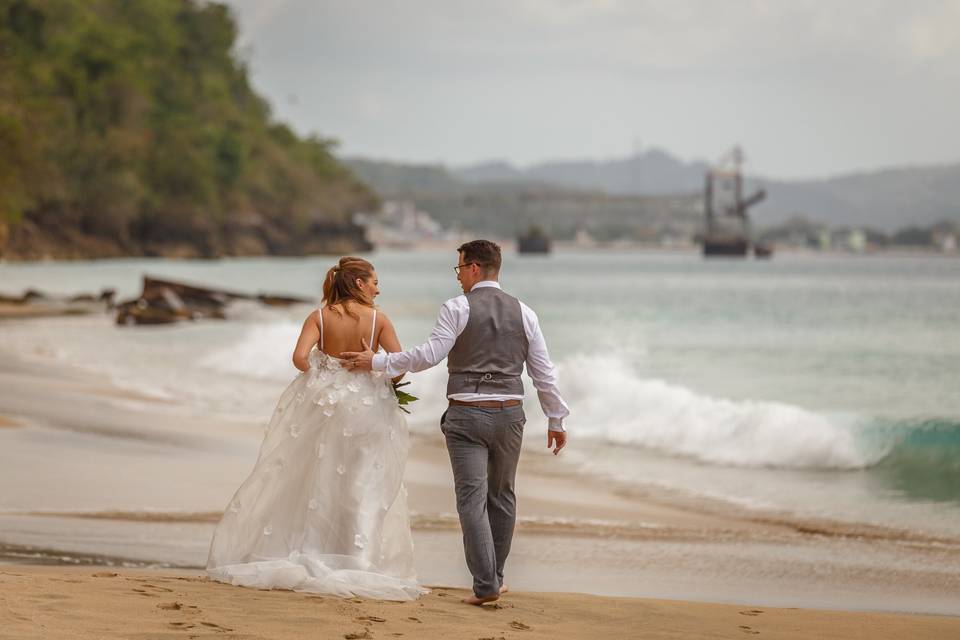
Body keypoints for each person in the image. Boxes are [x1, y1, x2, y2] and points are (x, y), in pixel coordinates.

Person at [342, 239, 569, 605]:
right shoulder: (525, 312)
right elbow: (544, 372)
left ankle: (486, 585)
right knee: (503, 497)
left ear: (475, 268)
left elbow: (430, 355)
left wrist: (378, 362)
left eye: (459, 268)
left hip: (467, 415)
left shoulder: (457, 307)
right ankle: (494, 578)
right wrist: (556, 418)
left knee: (471, 500)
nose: (459, 276)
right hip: (511, 415)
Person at [206, 256, 426, 601]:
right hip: (367, 409)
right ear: (358, 284)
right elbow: (398, 369)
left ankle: (312, 548)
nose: (378, 288)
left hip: (326, 406)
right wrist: (374, 365)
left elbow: (299, 358)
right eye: (374, 281)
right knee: (362, 482)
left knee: (317, 477)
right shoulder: (378, 320)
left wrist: (324, 371)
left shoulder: (319, 316)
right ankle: (359, 557)